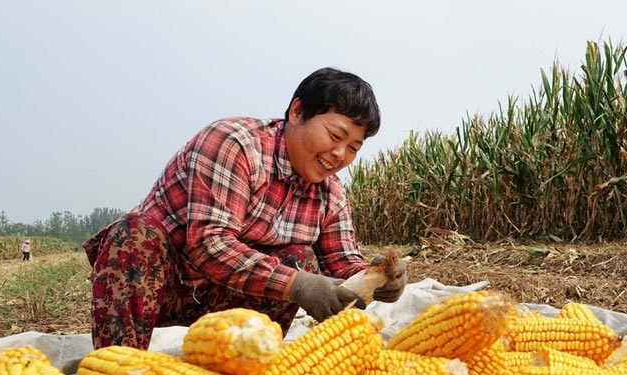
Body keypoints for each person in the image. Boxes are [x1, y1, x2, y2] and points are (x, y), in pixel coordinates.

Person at [83, 67, 406, 350]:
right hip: (167, 284)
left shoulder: (330, 192)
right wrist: (299, 285)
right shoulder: (235, 144)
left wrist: (376, 276)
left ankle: (244, 364)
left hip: (232, 295)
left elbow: (341, 261)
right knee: (135, 235)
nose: (339, 154)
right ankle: (119, 371)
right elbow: (210, 244)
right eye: (336, 135)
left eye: (353, 147)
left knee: (299, 258)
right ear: (297, 112)